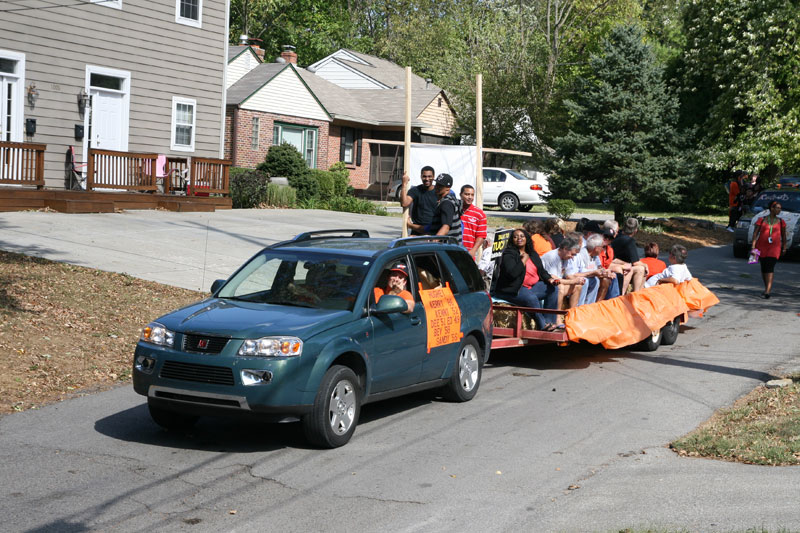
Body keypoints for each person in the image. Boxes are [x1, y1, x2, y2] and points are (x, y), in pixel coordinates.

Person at [492, 228, 560, 330]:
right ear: (512, 240)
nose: (519, 238)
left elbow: (541, 271)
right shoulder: (508, 254)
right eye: (515, 237)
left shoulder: (532, 253)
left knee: (553, 289)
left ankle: (549, 321)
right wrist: (523, 260)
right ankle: (542, 325)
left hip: (530, 287)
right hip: (513, 289)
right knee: (531, 298)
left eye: (522, 236)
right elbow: (512, 274)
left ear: (526, 238)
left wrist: (550, 279)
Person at [540, 236, 586, 315]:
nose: (572, 257)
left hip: (555, 284)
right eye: (572, 254)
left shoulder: (565, 258)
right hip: (544, 284)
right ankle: (557, 317)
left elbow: (568, 274)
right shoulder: (552, 257)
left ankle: (572, 315)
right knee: (559, 287)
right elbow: (555, 280)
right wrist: (573, 281)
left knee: (578, 286)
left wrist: (578, 279)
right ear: (565, 249)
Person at [750, 200, 787, 299]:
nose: (779, 210)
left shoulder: (781, 222)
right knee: (764, 267)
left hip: (774, 248)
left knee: (770, 267)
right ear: (772, 208)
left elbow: (783, 236)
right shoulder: (761, 220)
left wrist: (784, 247)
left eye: (780, 208)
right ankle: (766, 288)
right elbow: (755, 234)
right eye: (777, 208)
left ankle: (768, 291)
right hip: (761, 247)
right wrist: (753, 246)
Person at [610, 217, 648, 293]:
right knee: (641, 269)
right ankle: (636, 294)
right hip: (619, 266)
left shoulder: (618, 235)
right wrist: (645, 265)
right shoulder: (629, 241)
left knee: (636, 268)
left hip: (615, 263)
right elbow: (635, 262)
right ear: (635, 231)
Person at [400, 166, 438, 235]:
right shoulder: (415, 190)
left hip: (432, 230)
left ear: (434, 177)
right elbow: (404, 203)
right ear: (421, 176)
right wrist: (404, 184)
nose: (427, 179)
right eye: (424, 176)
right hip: (417, 229)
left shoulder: (438, 192)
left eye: (430, 176)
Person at [428, 174, 462, 243]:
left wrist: (433, 242)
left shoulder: (446, 203)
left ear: (448, 188)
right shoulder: (451, 199)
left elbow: (446, 227)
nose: (437, 187)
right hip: (452, 246)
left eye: (440, 186)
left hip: (448, 248)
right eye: (436, 184)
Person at [459, 184, 487, 260]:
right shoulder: (453, 209)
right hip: (452, 251)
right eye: (467, 194)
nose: (470, 197)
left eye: (472, 195)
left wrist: (473, 250)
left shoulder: (479, 214)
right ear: (460, 195)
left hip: (468, 253)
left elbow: (481, 235)